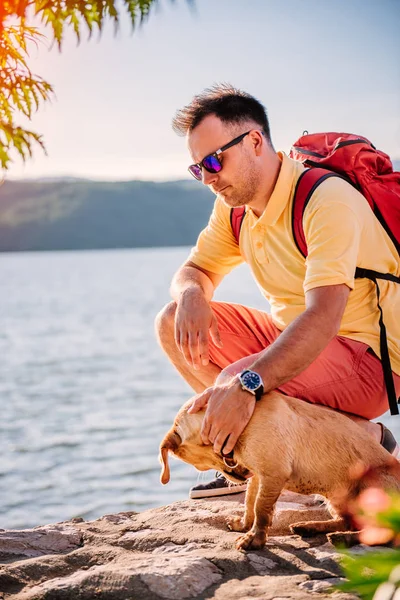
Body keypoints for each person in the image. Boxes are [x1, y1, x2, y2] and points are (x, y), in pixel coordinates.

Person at [155, 84, 400, 499]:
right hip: (305, 345)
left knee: (238, 380)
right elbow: (194, 270)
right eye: (199, 169)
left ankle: (251, 457)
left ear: (253, 141)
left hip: (372, 360)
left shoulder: (325, 200)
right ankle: (341, 442)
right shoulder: (234, 209)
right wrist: (193, 293)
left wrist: (247, 384)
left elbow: (323, 316)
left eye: (215, 160)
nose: (210, 178)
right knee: (171, 320)